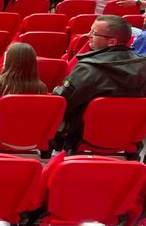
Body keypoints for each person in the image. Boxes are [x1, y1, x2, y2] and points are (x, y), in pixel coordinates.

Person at [53, 15, 146, 150]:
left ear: (112, 42)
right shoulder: (143, 66)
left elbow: (64, 102)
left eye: (94, 33)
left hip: (82, 135)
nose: (88, 35)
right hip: (130, 136)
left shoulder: (88, 70)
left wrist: (55, 91)